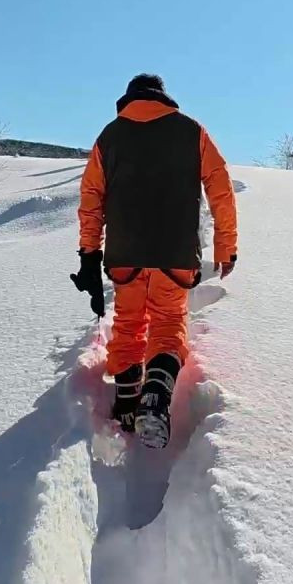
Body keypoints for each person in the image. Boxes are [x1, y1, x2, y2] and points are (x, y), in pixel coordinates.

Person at [71, 74, 238, 448]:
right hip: (175, 254)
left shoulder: (109, 136)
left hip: (124, 254)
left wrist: (88, 253)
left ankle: (128, 401)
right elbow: (221, 187)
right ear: (164, 97)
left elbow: (91, 199)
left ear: (128, 99)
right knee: (166, 324)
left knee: (129, 324)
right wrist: (225, 246)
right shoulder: (192, 131)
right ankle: (157, 396)